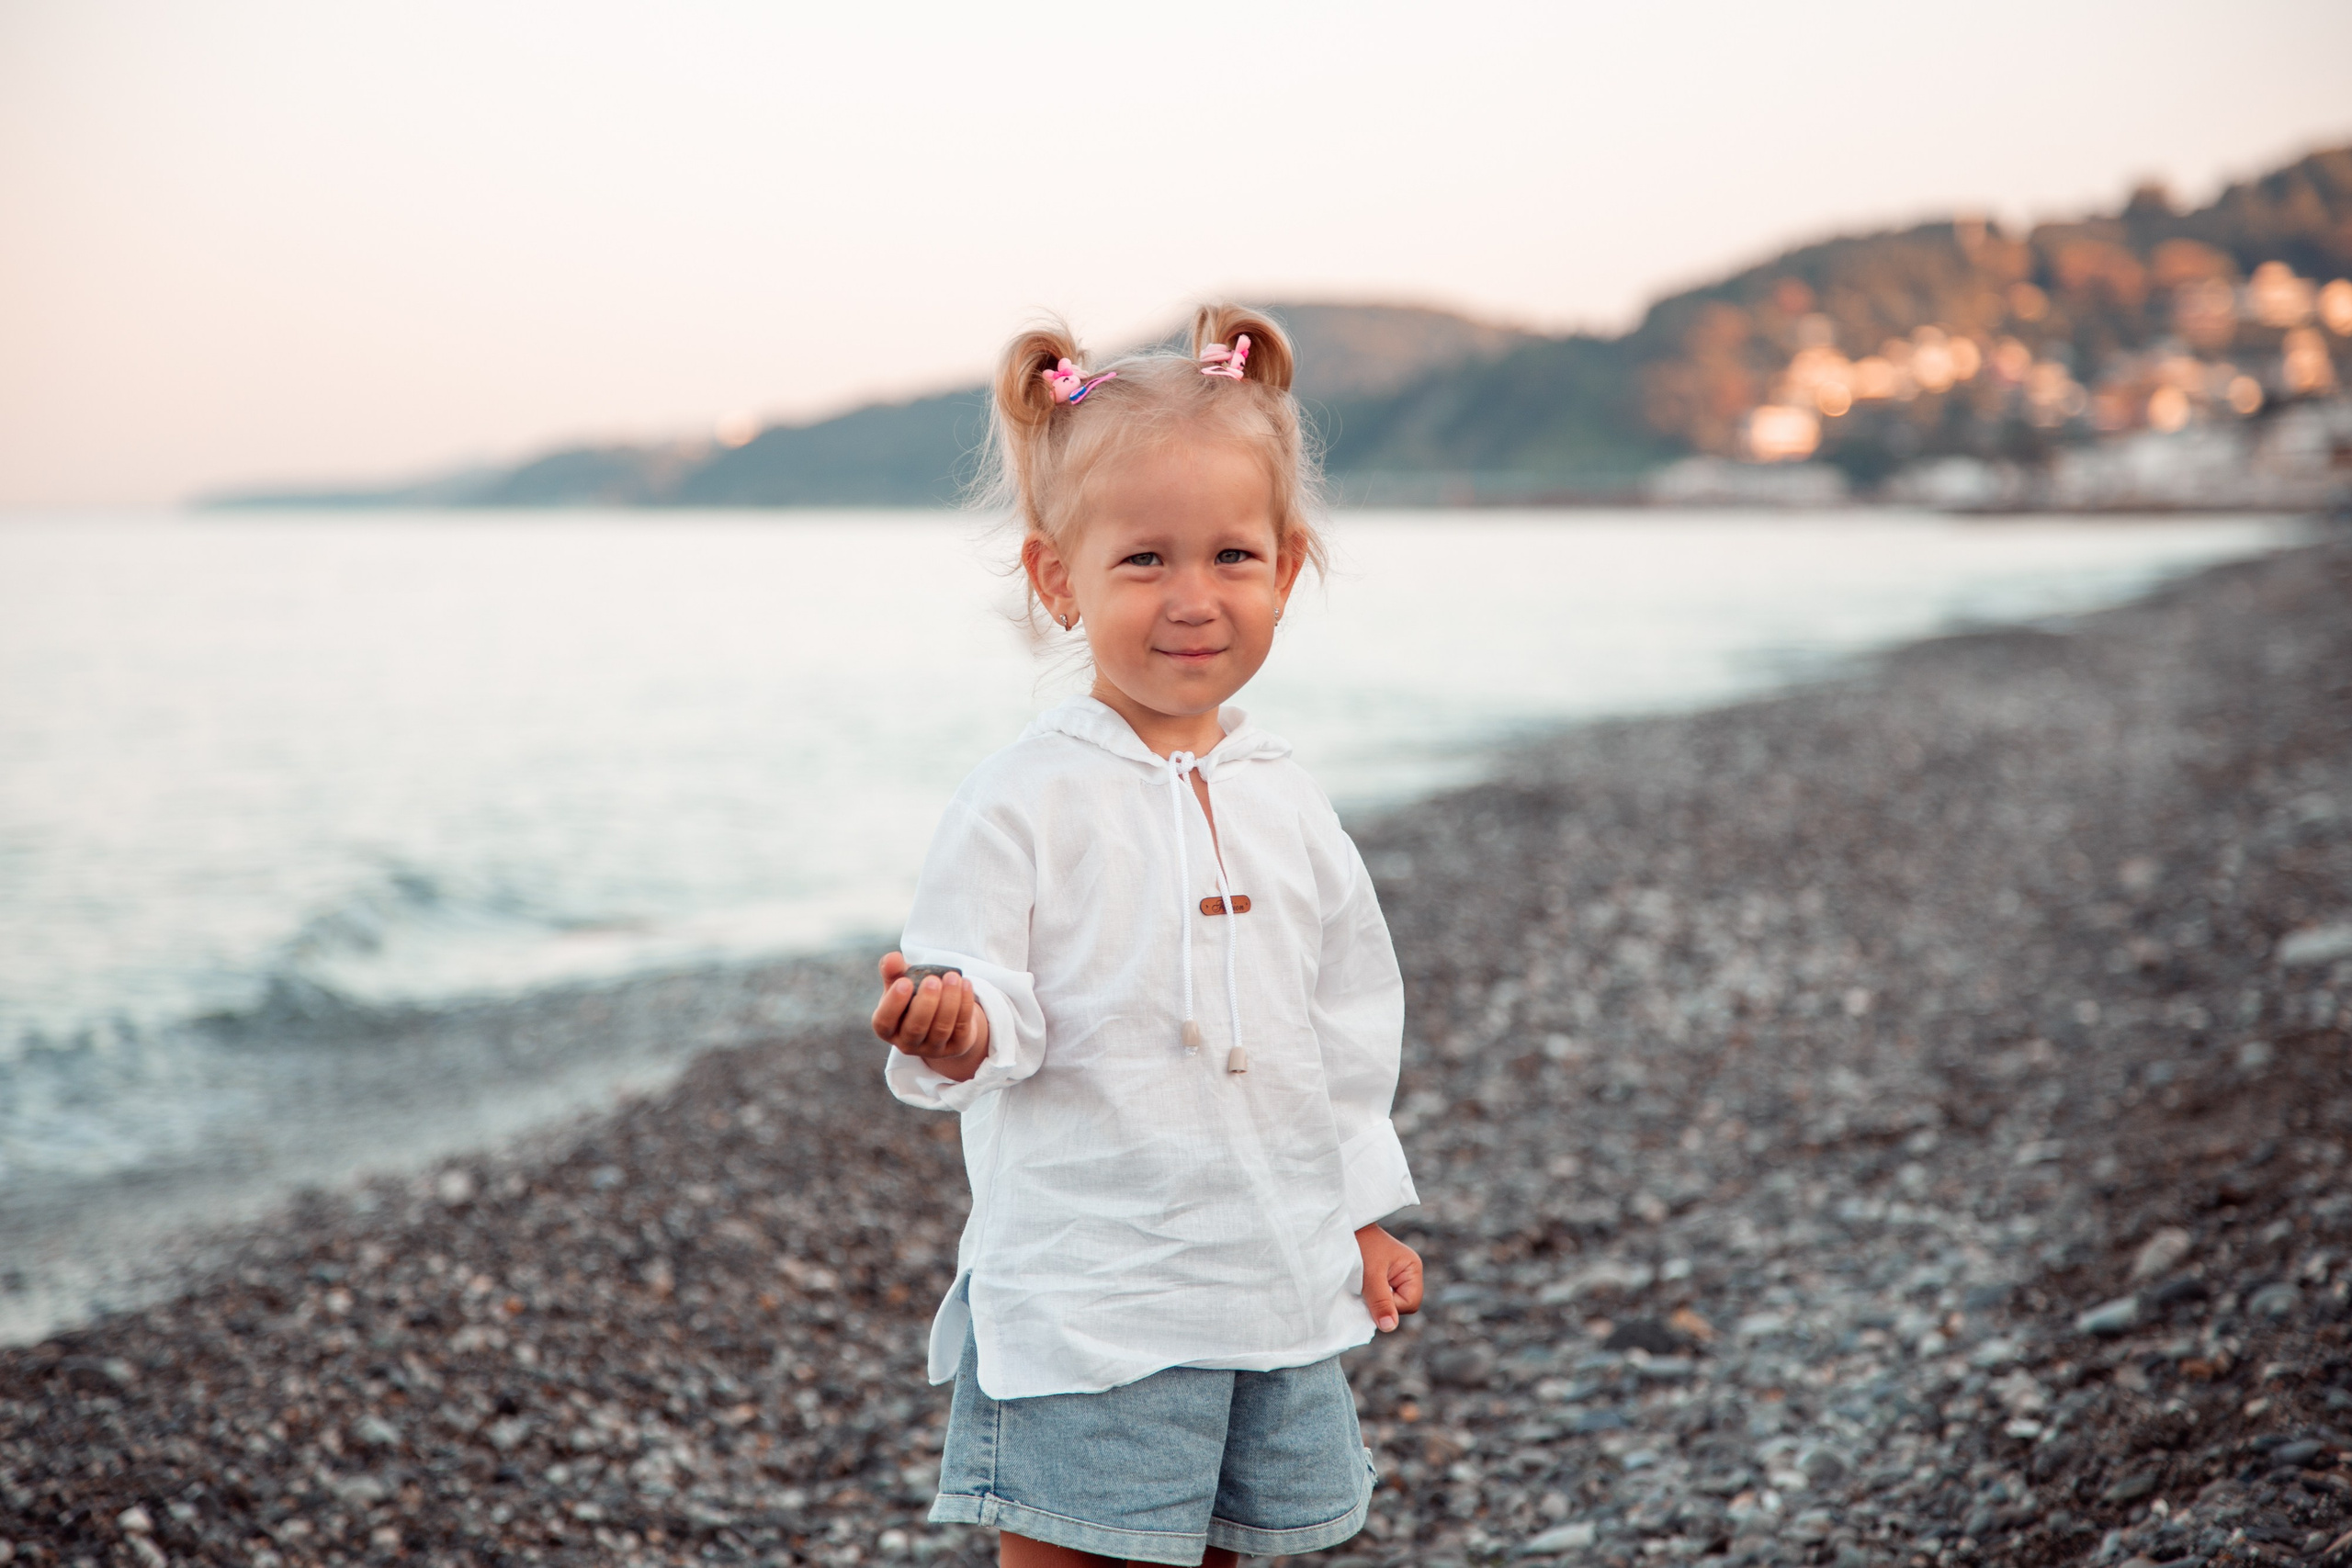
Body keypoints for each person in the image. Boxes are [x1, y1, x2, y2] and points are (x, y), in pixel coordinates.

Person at [870, 305, 1424, 1567]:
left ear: (1288, 567)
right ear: (1059, 578)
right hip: (1093, 1292)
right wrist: (955, 1026)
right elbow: (987, 997)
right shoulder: (1026, 794)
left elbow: (1338, 1037)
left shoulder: (1287, 797)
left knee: (1224, 1550)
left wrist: (1361, 1214)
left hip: (1269, 1280)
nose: (1193, 599)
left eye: (1231, 557)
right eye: (1143, 562)